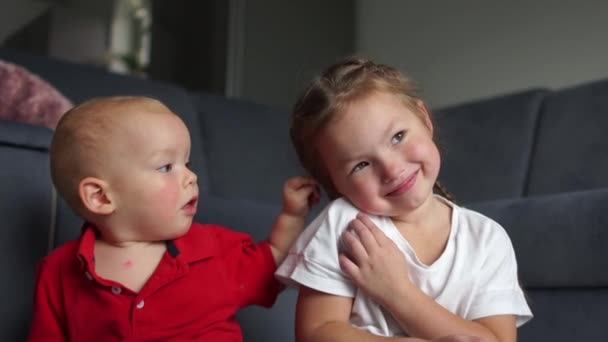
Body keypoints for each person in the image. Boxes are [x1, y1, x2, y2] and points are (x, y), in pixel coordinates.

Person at [275, 57, 532, 342]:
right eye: (360, 165)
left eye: (397, 137)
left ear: (424, 119)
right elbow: (315, 333)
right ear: (335, 185)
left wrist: (397, 292)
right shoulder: (344, 226)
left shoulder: (487, 240)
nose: (392, 170)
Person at [28, 96, 319, 341]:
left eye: (187, 163)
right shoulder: (59, 273)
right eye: (166, 167)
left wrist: (292, 215)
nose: (191, 177)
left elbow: (273, 261)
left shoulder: (212, 250)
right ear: (101, 197)